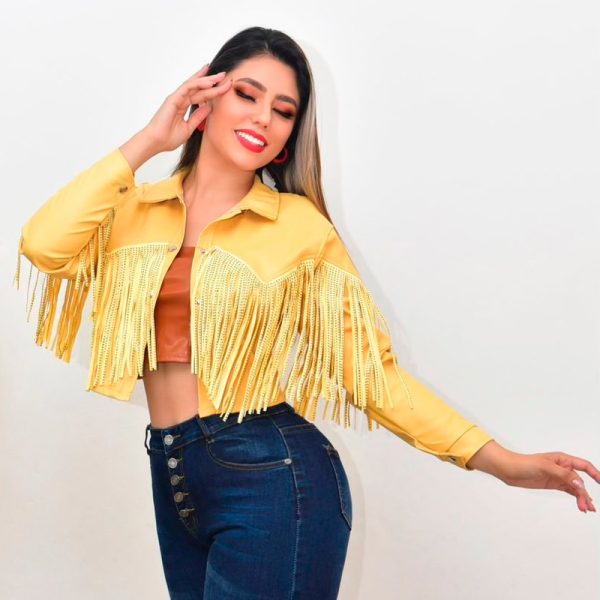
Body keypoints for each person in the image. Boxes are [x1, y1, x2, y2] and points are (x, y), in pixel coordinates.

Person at [14, 26, 599, 600]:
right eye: (247, 95)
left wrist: (499, 461)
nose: (262, 118)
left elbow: (372, 375)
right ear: (204, 99)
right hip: (173, 475)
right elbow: (43, 245)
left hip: (271, 476)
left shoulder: (298, 228)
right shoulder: (133, 210)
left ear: (291, 135)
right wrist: (149, 139)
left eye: (283, 110)